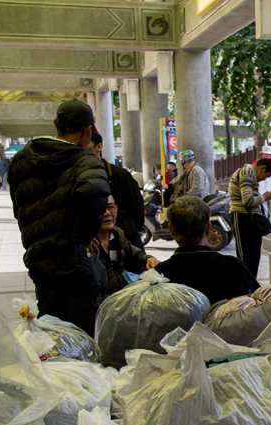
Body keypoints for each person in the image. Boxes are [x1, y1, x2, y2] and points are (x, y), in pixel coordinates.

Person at [8, 98, 110, 334]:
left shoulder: (21, 160)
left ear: (56, 123)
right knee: (80, 334)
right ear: (87, 131)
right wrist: (85, 236)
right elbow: (95, 198)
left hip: (39, 260)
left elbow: (18, 206)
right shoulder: (86, 163)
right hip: (74, 264)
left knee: (49, 328)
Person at [156, 195, 260, 305]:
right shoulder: (234, 268)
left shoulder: (159, 276)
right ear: (209, 228)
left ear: (171, 229)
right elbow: (261, 303)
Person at [88, 131, 145, 249]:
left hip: (126, 236)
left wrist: (132, 229)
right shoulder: (82, 176)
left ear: (99, 146)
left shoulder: (119, 175)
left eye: (85, 145)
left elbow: (137, 205)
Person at [91, 195, 158, 295]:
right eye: (101, 208)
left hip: (120, 297)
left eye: (111, 207)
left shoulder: (116, 235)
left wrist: (148, 260)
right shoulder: (87, 243)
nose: (108, 213)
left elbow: (134, 257)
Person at [228, 157, 271, 277]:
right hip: (242, 217)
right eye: (266, 176)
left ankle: (251, 286)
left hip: (250, 218)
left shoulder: (250, 174)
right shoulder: (246, 172)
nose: (263, 180)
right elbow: (247, 200)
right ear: (262, 168)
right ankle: (245, 288)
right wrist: (264, 197)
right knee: (245, 257)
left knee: (254, 256)